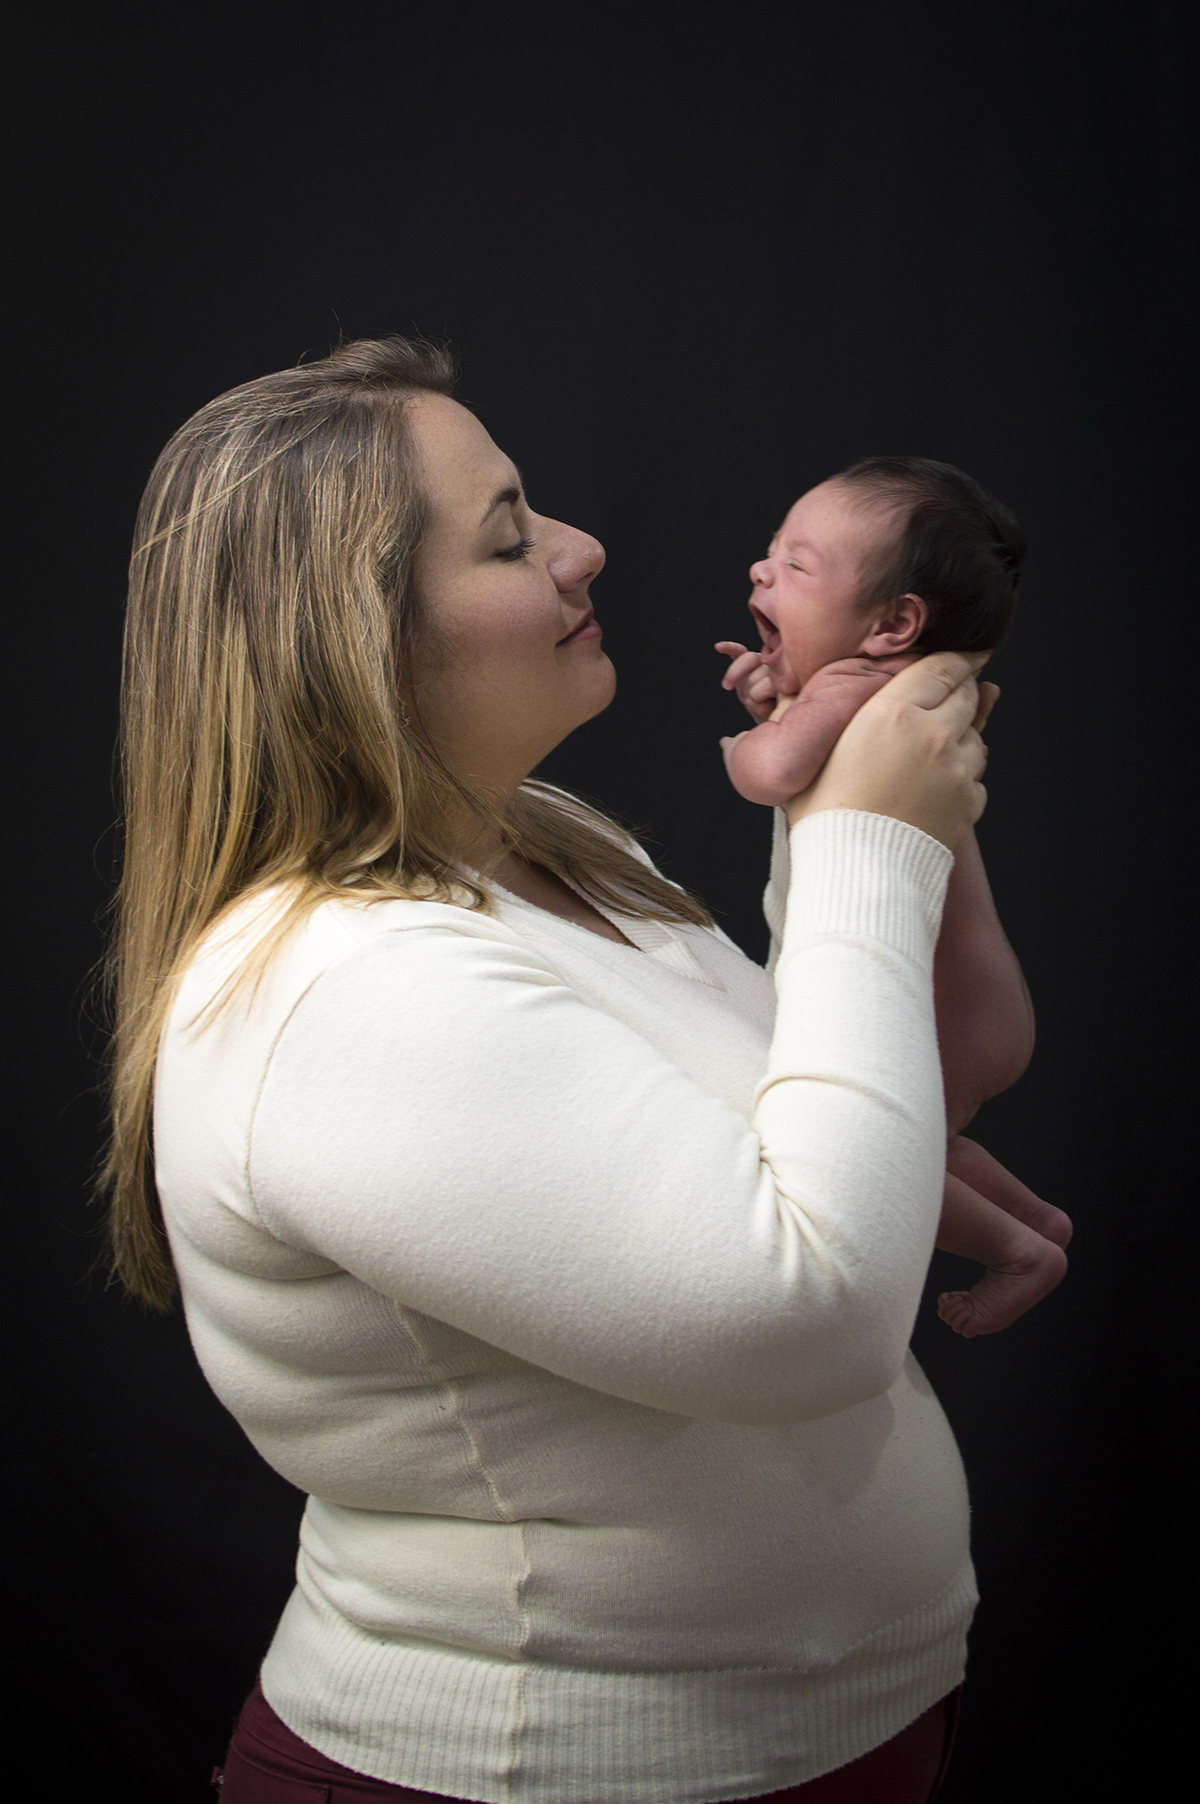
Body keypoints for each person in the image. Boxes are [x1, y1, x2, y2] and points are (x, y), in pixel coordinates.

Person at [107, 337, 996, 1803]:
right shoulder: (343, 987)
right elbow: (817, 1313)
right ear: (357, 638)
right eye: (511, 536)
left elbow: (792, 1113)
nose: (583, 549)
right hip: (540, 1773)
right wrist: (861, 832)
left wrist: (898, 1149)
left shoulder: (560, 849)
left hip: (832, 1738)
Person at [717, 460, 1071, 1337]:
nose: (762, 570)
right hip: (974, 998)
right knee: (923, 1141)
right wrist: (781, 698)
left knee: (882, 1151)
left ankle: (1018, 1251)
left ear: (893, 624)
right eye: (770, 552)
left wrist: (747, 740)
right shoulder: (879, 695)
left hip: (944, 1004)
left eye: (796, 564)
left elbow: (771, 773)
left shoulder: (856, 689)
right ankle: (1034, 1220)